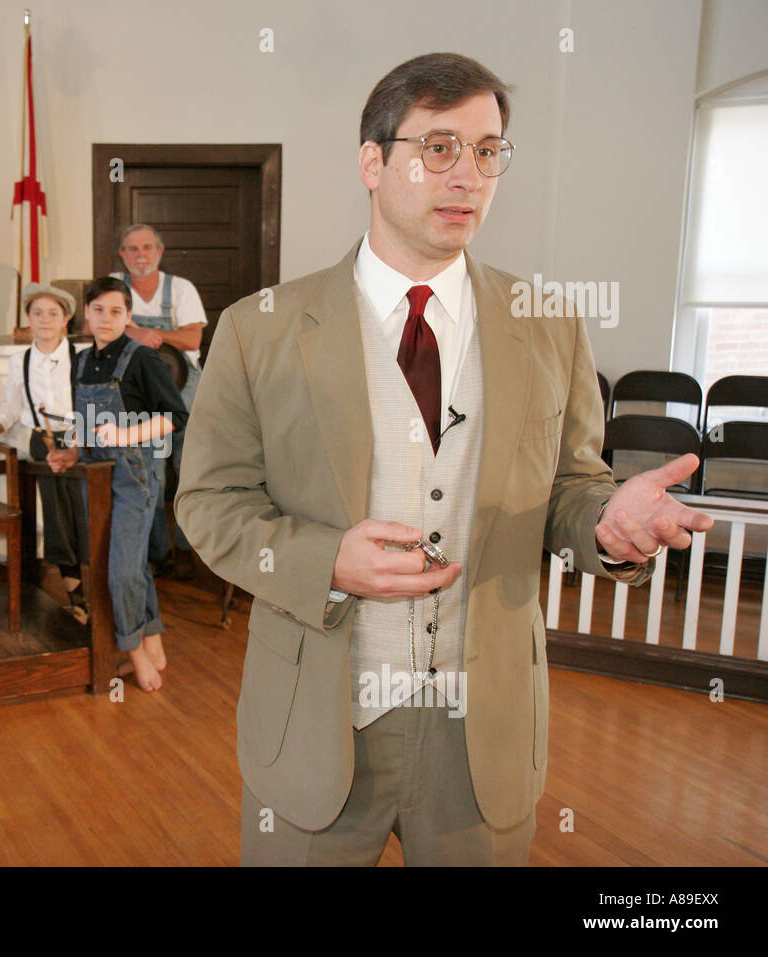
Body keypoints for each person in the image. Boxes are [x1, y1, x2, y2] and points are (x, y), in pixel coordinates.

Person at [175, 52, 714, 865]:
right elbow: (209, 506)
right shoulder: (261, 328)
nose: (467, 174)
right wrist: (326, 561)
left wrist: (607, 521)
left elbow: (571, 486)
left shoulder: (550, 325)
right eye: (438, 147)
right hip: (318, 721)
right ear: (371, 161)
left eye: (488, 150)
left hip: (484, 735)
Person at [48, 278, 188, 691]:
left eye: (115, 311)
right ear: (85, 314)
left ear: (128, 317)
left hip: (136, 477)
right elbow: (82, 420)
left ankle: (134, 653)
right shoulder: (79, 361)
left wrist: (127, 435)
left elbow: (175, 415)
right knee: (132, 564)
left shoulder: (142, 359)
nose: (105, 319)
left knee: (119, 572)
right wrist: (71, 451)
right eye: (98, 310)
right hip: (95, 476)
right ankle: (155, 644)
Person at [0, 283, 89, 618]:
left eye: (53, 313)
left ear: (66, 319)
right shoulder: (20, 361)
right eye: (37, 313)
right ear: (28, 318)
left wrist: (82, 444)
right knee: (56, 511)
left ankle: (96, 580)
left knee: (83, 508)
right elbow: (11, 406)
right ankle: (74, 591)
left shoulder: (80, 357)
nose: (45, 319)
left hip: (80, 440)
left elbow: (90, 403)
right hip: (44, 442)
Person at [110, 225, 207, 579]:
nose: (140, 255)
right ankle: (157, 551)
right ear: (122, 254)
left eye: (147, 247)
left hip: (183, 385)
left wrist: (151, 335)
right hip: (138, 391)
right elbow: (94, 328)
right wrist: (133, 332)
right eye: (131, 248)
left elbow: (193, 336)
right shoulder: (113, 286)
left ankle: (189, 548)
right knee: (149, 468)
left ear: (159, 252)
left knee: (188, 467)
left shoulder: (180, 288)